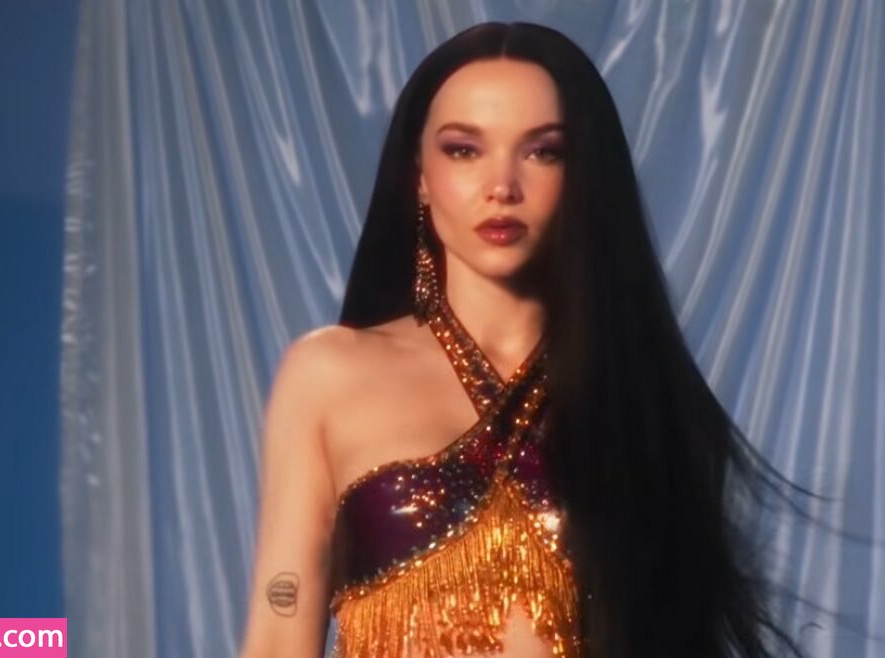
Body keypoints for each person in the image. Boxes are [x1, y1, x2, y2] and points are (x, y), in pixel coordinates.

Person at [239, 21, 806, 658]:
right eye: (464, 150)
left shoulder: (641, 398)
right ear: (418, 176)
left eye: (542, 152)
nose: (502, 187)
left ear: (583, 175)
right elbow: (277, 631)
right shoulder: (327, 375)